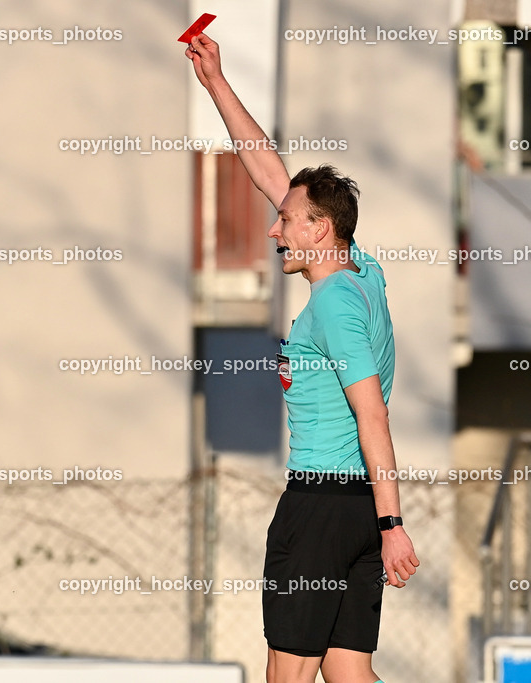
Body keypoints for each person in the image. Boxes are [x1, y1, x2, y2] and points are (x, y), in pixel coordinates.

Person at [187, 33, 420, 683]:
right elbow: (269, 172)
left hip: (321, 510)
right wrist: (216, 85)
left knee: (286, 678)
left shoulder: (334, 306)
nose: (273, 228)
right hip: (355, 517)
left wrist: (395, 522)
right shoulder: (361, 271)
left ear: (319, 229)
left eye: (285, 220)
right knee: (350, 675)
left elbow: (372, 415)